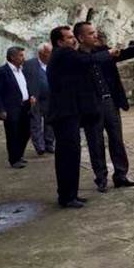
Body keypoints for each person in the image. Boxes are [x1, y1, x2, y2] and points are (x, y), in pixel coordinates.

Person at [82, 27, 134, 192]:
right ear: (80, 37)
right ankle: (101, 178)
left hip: (110, 102)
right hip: (91, 106)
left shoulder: (104, 51)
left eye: (95, 33)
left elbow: (126, 53)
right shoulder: (77, 57)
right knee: (95, 142)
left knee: (117, 139)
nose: (96, 36)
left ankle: (120, 175)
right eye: (91, 33)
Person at [47, 24, 119, 209]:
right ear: (59, 41)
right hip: (65, 114)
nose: (73, 41)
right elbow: (87, 60)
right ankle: (67, 197)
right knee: (68, 156)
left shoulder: (64, 56)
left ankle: (70, 194)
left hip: (68, 113)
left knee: (71, 155)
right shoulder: (64, 54)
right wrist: (108, 54)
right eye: (70, 38)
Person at [0, 47, 34, 169]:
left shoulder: (22, 70)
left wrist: (30, 96)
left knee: (26, 132)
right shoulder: (1, 72)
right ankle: (14, 159)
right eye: (21, 56)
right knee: (13, 134)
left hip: (25, 106)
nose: (23, 58)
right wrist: (0, 110)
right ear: (12, 57)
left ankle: (19, 154)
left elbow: (24, 86)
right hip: (11, 108)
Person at [23, 43, 54, 155]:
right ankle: (39, 146)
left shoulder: (53, 64)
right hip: (35, 98)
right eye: (48, 53)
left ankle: (49, 144)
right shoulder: (29, 64)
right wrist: (28, 95)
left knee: (50, 122)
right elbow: (23, 81)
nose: (50, 55)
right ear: (41, 53)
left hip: (50, 98)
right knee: (35, 122)